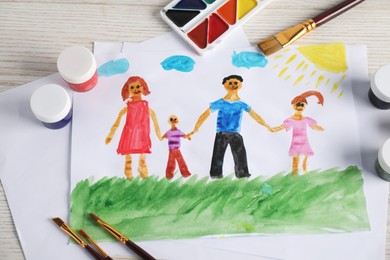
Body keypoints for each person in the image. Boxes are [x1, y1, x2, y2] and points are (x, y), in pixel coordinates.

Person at [190, 75, 271, 179]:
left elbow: (255, 115)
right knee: (217, 156)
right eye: (230, 83)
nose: (233, 85)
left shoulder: (241, 104)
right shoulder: (220, 102)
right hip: (221, 133)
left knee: (240, 156)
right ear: (224, 85)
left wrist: (266, 126)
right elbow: (205, 114)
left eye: (236, 83)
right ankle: (215, 176)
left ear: (240, 85)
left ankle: (242, 175)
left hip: (235, 134)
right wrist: (196, 128)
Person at [105, 76, 161, 180]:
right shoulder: (128, 106)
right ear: (128, 90)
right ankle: (128, 174)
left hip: (142, 133)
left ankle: (143, 172)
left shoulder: (145, 106)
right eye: (132, 88)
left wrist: (159, 135)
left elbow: (154, 118)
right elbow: (118, 119)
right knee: (128, 156)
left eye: (138, 86)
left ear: (143, 87)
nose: (135, 89)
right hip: (129, 133)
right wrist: (110, 135)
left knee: (142, 156)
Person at [271, 91, 324, 176]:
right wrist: (273, 129)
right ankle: (295, 179)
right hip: (295, 144)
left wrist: (322, 129)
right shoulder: (290, 120)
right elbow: (283, 126)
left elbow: (314, 126)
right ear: (293, 105)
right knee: (295, 162)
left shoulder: (306, 119)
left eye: (302, 104)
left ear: (305, 106)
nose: (299, 107)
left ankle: (306, 178)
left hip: (304, 143)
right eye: (297, 104)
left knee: (305, 164)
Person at [161, 115, 192, 180]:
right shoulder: (168, 132)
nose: (173, 122)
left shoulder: (178, 131)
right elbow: (163, 137)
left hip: (176, 149)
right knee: (171, 162)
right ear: (170, 122)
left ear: (177, 122)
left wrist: (188, 137)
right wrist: (161, 137)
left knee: (180, 161)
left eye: (175, 120)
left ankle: (185, 173)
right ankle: (169, 175)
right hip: (171, 150)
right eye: (172, 120)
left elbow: (184, 136)